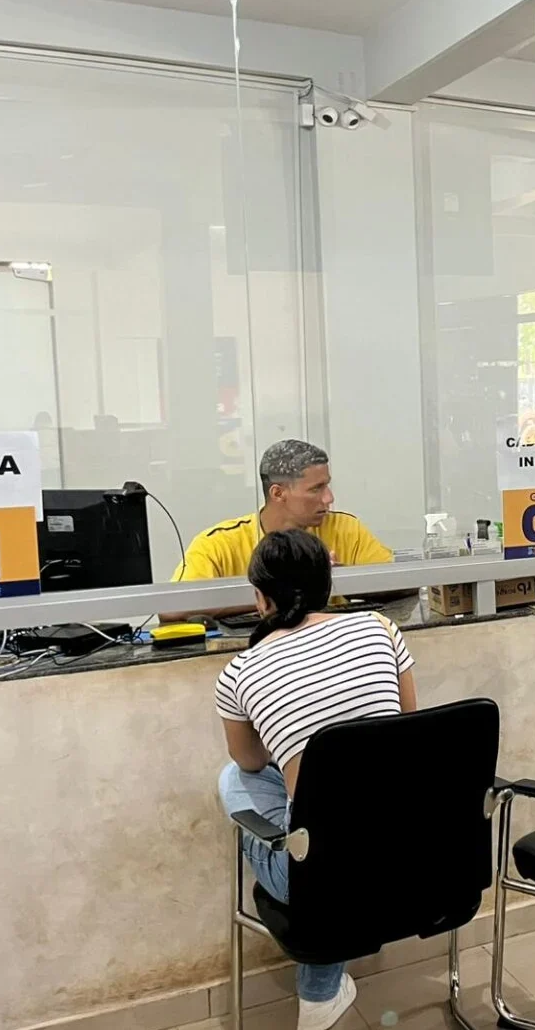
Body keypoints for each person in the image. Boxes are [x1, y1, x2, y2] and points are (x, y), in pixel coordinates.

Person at [215, 529, 418, 1030]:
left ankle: (320, 996)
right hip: (415, 855)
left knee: (234, 781)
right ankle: (320, 994)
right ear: (329, 584)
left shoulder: (239, 671)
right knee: (345, 808)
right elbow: (411, 731)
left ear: (260, 598)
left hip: (320, 879)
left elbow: (248, 762)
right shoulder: (381, 628)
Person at [169, 440, 392, 619]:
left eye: (327, 485)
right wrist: (286, 594)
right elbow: (172, 609)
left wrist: (341, 579)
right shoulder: (217, 544)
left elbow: (402, 582)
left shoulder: (345, 529)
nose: (329, 498)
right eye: (316, 489)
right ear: (278, 493)